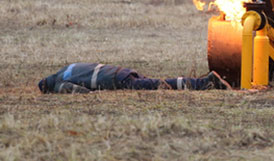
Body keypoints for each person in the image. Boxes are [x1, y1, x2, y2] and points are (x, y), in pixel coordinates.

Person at [38, 63, 231, 94]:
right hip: (120, 71)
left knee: (159, 85)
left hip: (115, 82)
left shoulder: (59, 83)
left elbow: (81, 93)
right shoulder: (66, 68)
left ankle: (205, 83)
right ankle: (202, 82)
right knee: (156, 82)